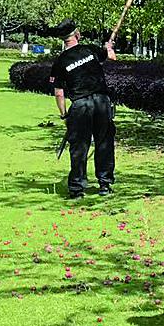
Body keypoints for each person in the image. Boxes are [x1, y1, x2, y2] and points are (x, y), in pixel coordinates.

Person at [49, 20, 117, 199]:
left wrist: (64, 115)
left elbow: (58, 93)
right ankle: (105, 185)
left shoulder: (60, 62)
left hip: (80, 106)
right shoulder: (90, 49)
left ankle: (77, 189)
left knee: (79, 147)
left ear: (63, 39)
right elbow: (111, 57)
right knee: (104, 143)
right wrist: (108, 47)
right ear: (77, 34)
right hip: (102, 102)